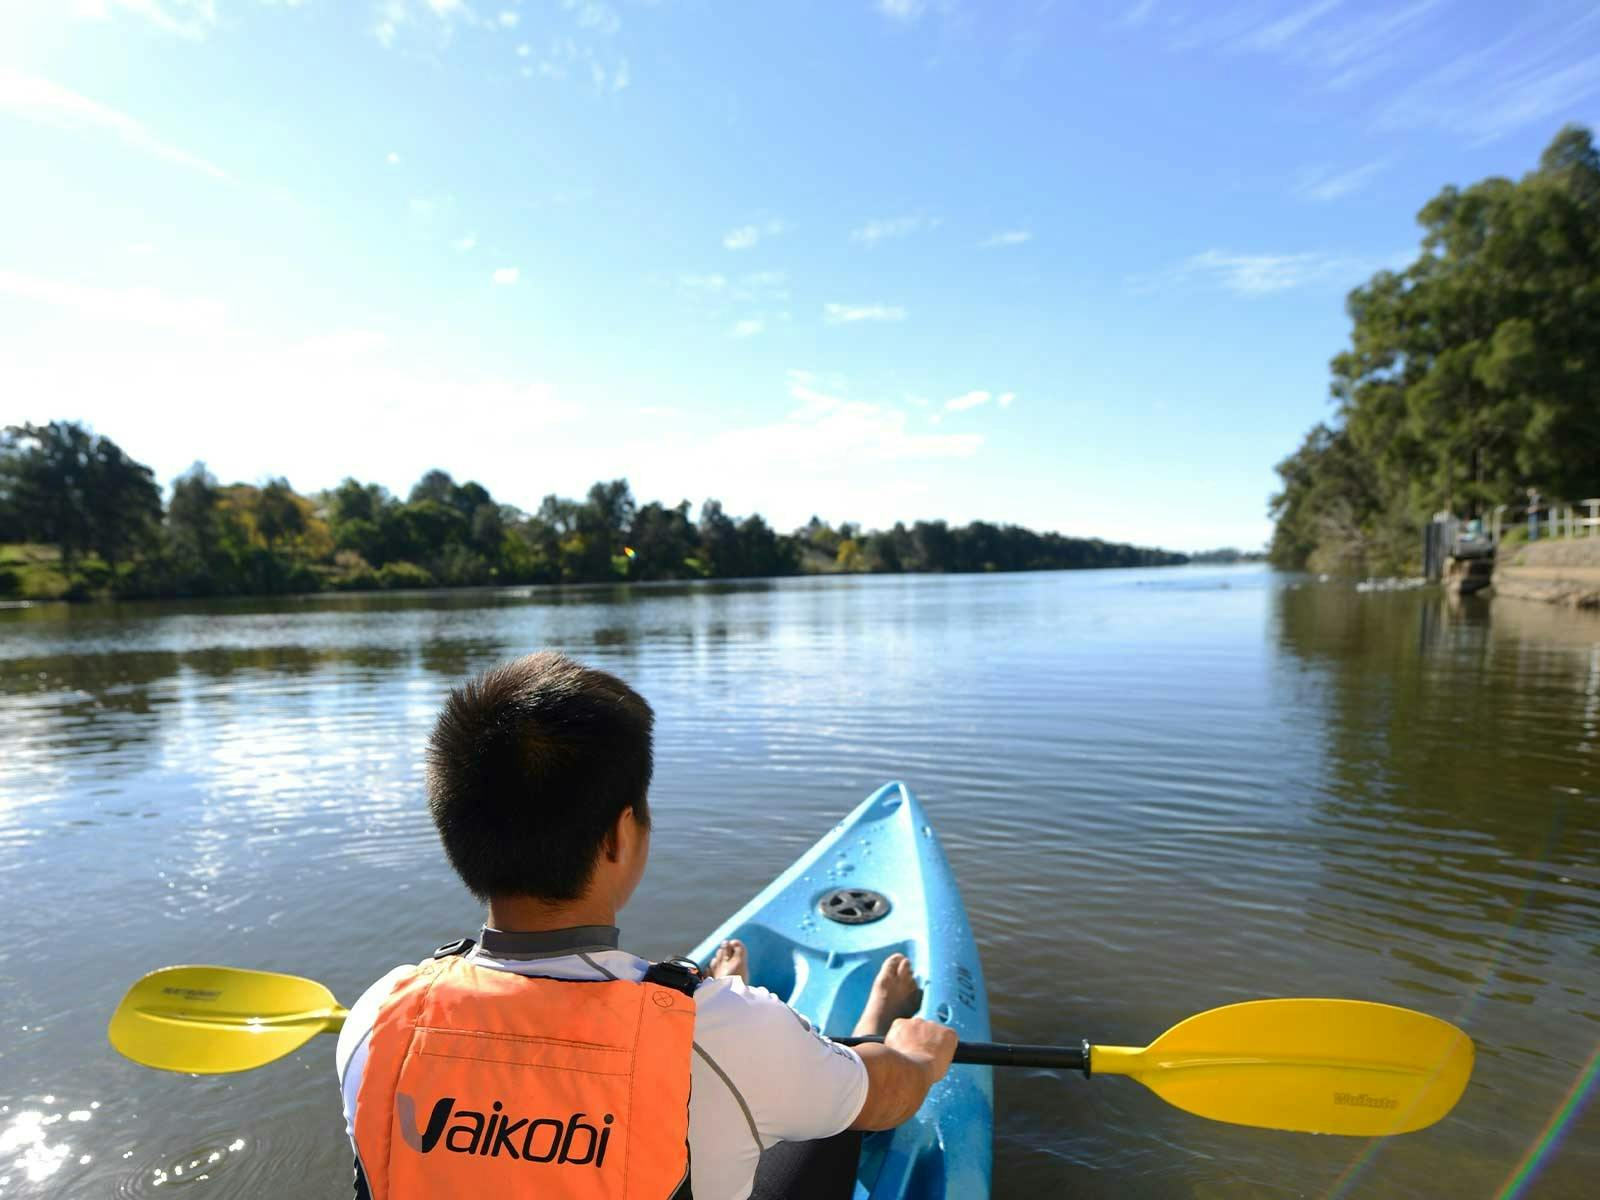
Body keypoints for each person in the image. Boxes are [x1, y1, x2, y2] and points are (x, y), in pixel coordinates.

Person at [335, 650, 957, 1199]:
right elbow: (887, 1100)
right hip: (760, 1050)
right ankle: (862, 1036)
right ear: (618, 837)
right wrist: (915, 1060)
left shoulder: (375, 1019)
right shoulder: (718, 1035)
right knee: (834, 1109)